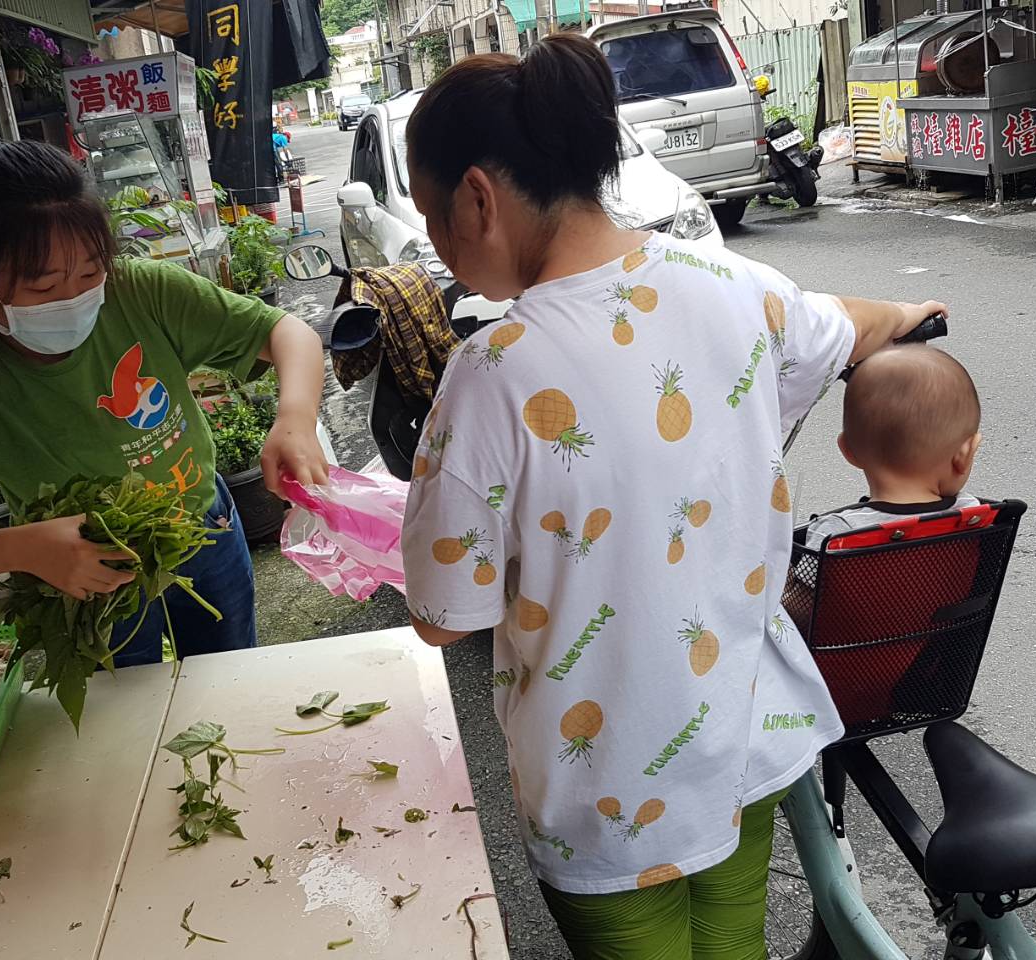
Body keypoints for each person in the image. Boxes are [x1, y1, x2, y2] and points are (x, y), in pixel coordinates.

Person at [397, 35, 948, 960]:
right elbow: (842, 324)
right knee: (734, 948)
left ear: (478, 199)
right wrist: (903, 316)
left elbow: (445, 616)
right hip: (739, 742)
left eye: (433, 218)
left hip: (602, 787)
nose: (444, 254)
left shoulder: (488, 375)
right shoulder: (741, 289)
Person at [0, 135, 328, 666]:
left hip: (204, 528)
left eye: (90, 274)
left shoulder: (142, 292)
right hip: (80, 574)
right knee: (126, 716)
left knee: (231, 679)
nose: (73, 299)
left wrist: (294, 418)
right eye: (42, 288)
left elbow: (289, 333)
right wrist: (27, 547)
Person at [803, 345, 982, 550]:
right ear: (964, 455)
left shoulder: (836, 532)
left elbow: (798, 582)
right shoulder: (970, 516)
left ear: (848, 451)